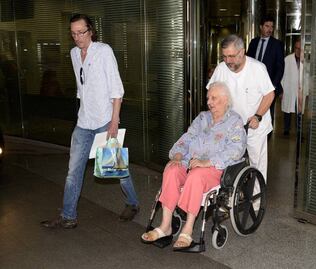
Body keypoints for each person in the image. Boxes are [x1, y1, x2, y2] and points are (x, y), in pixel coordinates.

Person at [41, 14, 139, 229]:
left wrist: (114, 121)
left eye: (81, 32)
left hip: (105, 120)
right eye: (73, 33)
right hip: (83, 123)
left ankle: (132, 203)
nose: (77, 37)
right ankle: (68, 215)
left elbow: (116, 89)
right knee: (73, 172)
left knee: (116, 169)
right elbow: (81, 87)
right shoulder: (74, 54)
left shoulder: (104, 51)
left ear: (91, 31)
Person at [141, 81, 246, 250]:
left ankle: (188, 229)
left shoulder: (234, 121)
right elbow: (187, 137)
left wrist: (207, 162)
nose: (209, 102)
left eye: (214, 98)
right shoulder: (202, 118)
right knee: (171, 169)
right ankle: (165, 226)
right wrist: (177, 154)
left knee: (196, 175)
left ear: (226, 100)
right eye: (208, 98)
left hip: (215, 168)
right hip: (190, 162)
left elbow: (237, 149)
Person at [207, 34, 274, 182]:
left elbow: (269, 95)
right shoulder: (221, 68)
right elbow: (211, 92)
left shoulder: (257, 68)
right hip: (230, 127)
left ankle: (257, 202)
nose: (228, 61)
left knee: (257, 165)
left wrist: (258, 116)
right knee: (228, 162)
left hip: (255, 125)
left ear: (242, 52)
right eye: (224, 57)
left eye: (231, 56)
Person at [246, 15, 284, 123]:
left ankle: (267, 137)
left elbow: (280, 67)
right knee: (252, 109)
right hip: (253, 85)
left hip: (269, 86)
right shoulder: (253, 42)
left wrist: (273, 85)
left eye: (272, 27)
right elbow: (248, 62)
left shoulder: (277, 44)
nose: (270, 29)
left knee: (267, 114)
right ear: (261, 27)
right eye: (267, 26)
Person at [281, 39, 303, 136]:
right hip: (288, 89)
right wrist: (282, 90)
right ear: (294, 48)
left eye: (300, 48)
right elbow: (282, 75)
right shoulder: (287, 59)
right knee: (287, 111)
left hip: (300, 90)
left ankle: (299, 131)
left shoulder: (305, 60)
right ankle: (286, 129)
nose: (298, 50)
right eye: (296, 48)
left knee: (299, 112)